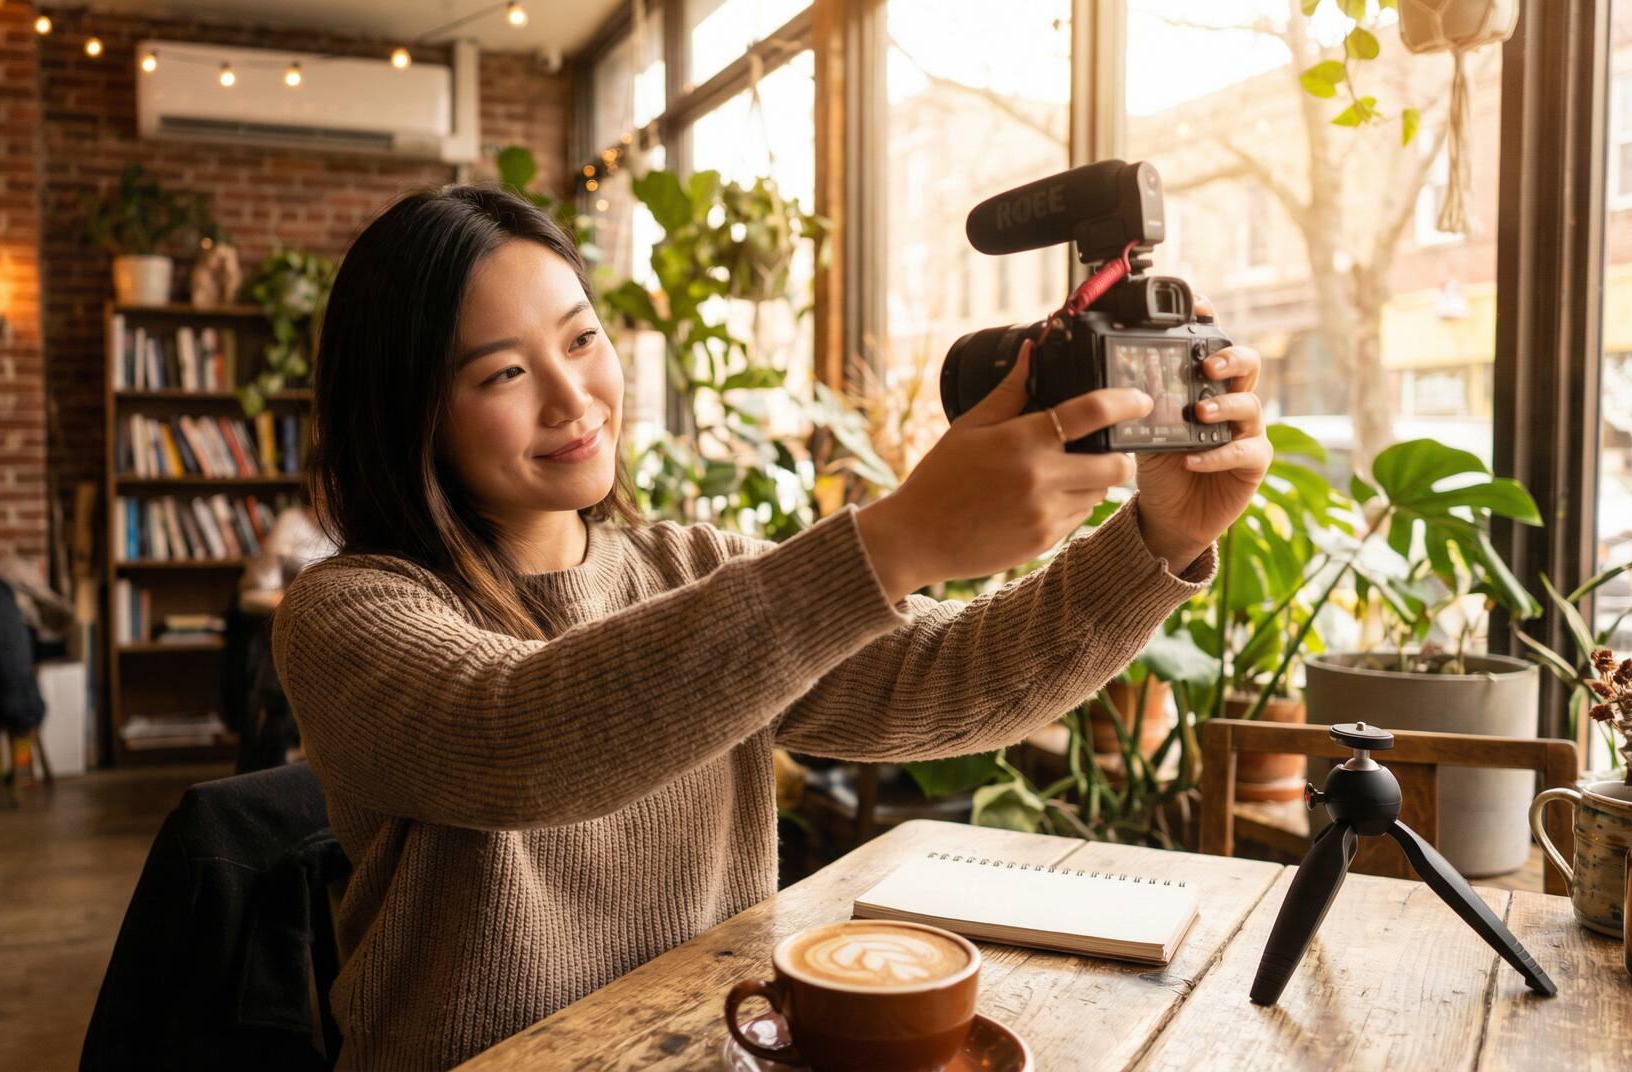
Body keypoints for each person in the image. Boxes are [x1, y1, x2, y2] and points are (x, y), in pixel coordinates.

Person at [272, 185, 1272, 1069]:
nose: (574, 398)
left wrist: (1159, 538)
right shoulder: (348, 612)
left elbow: (950, 676)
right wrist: (895, 540)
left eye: (581, 339)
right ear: (409, 411)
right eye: (502, 374)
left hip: (720, 1052)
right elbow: (518, 739)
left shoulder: (692, 569)